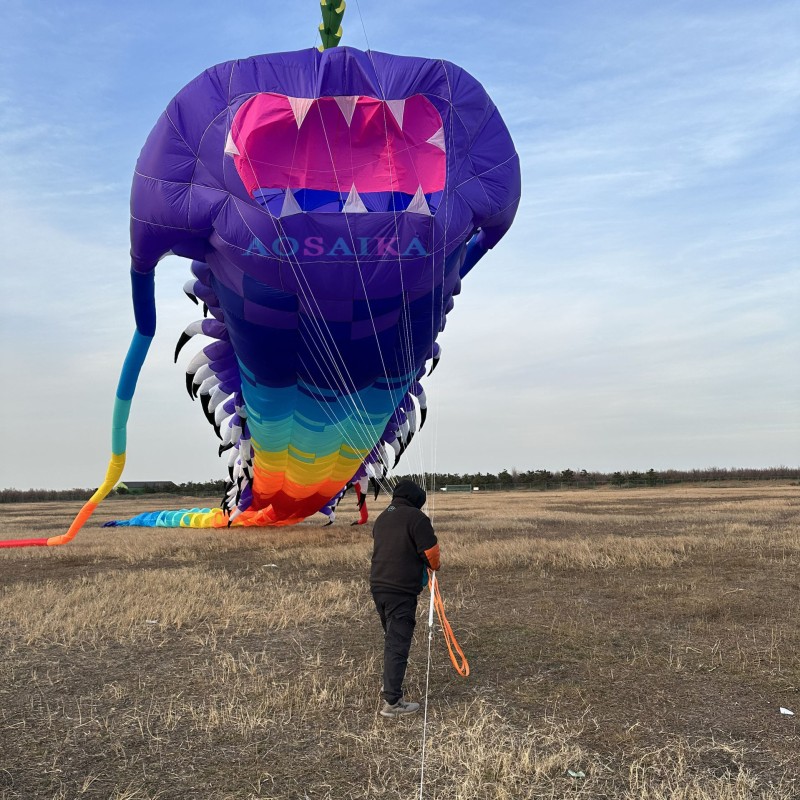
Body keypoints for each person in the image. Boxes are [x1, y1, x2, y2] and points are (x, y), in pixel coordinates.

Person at [370, 479, 440, 718]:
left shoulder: (382, 517)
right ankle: (392, 701)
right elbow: (432, 554)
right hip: (400, 589)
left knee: (391, 637)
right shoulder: (417, 518)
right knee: (398, 643)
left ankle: (390, 685)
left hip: (379, 586)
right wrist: (432, 566)